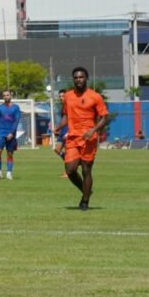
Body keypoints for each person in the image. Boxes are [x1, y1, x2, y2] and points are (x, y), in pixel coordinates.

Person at [54, 67, 109, 211]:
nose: (78, 79)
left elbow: (105, 117)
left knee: (86, 170)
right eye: (76, 77)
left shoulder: (95, 96)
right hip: (72, 137)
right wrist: (59, 127)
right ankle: (86, 191)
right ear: (73, 79)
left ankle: (85, 201)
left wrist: (93, 130)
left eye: (81, 77)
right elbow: (66, 115)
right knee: (70, 170)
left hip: (89, 138)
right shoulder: (68, 96)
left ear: (86, 78)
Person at [0, 89, 21, 180]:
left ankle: (9, 173)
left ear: (10, 96)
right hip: (1, 132)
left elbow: (16, 121)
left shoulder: (16, 107)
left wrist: (12, 133)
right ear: (3, 97)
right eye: (4, 95)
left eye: (7, 95)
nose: (6, 97)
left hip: (11, 133)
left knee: (10, 154)